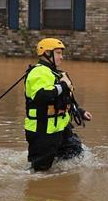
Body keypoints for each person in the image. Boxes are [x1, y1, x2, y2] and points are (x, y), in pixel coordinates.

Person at [23, 38, 92, 171]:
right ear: (47, 54)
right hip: (43, 131)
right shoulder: (38, 72)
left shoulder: (57, 73)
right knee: (40, 171)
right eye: (58, 53)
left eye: (61, 53)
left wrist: (80, 111)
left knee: (75, 155)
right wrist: (62, 85)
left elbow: (66, 99)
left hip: (61, 128)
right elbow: (41, 96)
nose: (62, 57)